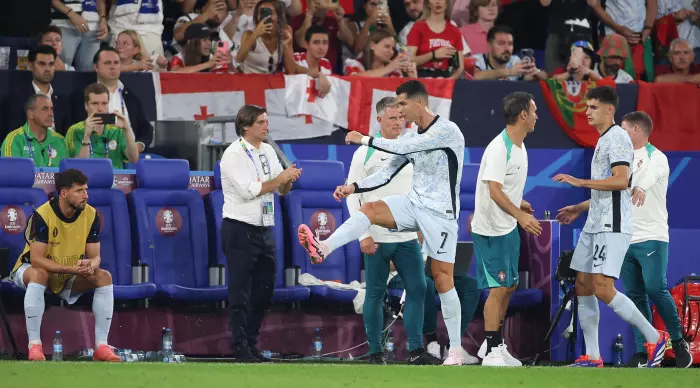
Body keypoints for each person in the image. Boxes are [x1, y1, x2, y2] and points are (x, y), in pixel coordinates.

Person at [297, 80, 467, 365]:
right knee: (373, 209)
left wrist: (363, 137)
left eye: (402, 104)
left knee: (441, 278)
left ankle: (457, 351)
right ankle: (324, 247)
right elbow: (387, 173)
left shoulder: (447, 131)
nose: (400, 111)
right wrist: (354, 187)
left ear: (419, 103)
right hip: (414, 204)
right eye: (396, 106)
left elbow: (407, 147)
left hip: (441, 214)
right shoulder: (407, 142)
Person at [554, 86, 669, 368]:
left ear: (609, 110)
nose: (587, 112)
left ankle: (655, 336)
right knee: (582, 283)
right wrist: (580, 208)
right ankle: (593, 356)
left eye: (593, 107)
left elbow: (620, 181)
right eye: (587, 107)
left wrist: (580, 183)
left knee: (603, 288)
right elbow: (607, 191)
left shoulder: (617, 138)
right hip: (595, 223)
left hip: (612, 225)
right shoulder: (604, 139)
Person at [346, 97, 439, 365]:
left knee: (418, 288)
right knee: (375, 293)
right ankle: (375, 352)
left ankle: (415, 350)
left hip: (406, 235)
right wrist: (362, 234)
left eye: (401, 117)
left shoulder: (411, 148)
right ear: (379, 121)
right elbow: (353, 195)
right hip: (376, 235)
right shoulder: (364, 153)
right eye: (392, 118)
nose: (399, 122)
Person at [9, 169, 121, 362]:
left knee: (104, 277)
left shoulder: (91, 215)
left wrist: (90, 265)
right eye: (79, 191)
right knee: (39, 274)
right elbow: (37, 260)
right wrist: (70, 269)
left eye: (86, 190)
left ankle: (101, 346)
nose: (86, 195)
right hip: (30, 270)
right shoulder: (42, 215)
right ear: (64, 193)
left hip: (67, 274)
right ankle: (34, 345)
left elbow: (96, 257)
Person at [219, 104, 302, 362]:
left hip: (265, 228)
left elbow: (281, 191)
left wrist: (288, 180)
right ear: (246, 126)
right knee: (241, 291)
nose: (267, 126)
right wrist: (280, 179)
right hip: (240, 228)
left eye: (267, 122)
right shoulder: (233, 154)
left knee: (264, 291)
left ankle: (252, 342)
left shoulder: (267, 150)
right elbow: (248, 191)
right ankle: (239, 345)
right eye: (261, 123)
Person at [471, 92, 542, 367]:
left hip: (508, 225)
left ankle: (496, 344)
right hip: (491, 230)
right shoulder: (500, 148)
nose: (537, 116)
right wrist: (520, 215)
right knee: (498, 289)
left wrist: (520, 203)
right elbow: (493, 190)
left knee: (510, 285)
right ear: (523, 115)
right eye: (534, 111)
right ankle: (490, 351)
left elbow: (505, 187)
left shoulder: (520, 146)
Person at [622, 112, 692, 368]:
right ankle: (645, 350)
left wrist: (640, 186)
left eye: (624, 129)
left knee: (655, 288)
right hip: (624, 237)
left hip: (651, 236)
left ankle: (677, 339)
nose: (621, 134)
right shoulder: (621, 159)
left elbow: (650, 176)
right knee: (634, 295)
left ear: (637, 130)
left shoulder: (657, 157)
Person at [65, 83, 140, 169]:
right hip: (87, 179)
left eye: (104, 103)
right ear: (86, 106)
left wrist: (127, 129)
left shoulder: (117, 130)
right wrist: (86, 136)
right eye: (95, 103)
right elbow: (80, 166)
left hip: (114, 180)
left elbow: (134, 159)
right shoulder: (75, 130)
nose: (100, 108)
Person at [1, 95, 68, 167]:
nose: (51, 114)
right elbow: (11, 174)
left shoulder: (60, 141)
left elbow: (67, 175)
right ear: (30, 114)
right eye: (45, 109)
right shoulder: (14, 140)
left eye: (51, 109)